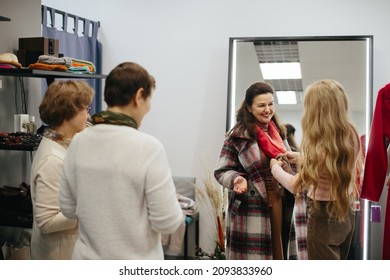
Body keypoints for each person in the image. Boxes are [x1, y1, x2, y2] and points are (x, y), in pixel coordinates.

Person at [59, 62, 184, 259]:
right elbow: (167, 222)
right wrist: (171, 200)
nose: (148, 108)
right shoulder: (148, 148)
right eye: (149, 99)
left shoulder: (78, 142)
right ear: (139, 96)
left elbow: (68, 209)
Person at [270, 79, 364, 260]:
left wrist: (275, 168)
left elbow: (295, 185)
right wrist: (300, 158)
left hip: (323, 216)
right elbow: (328, 166)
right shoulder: (350, 132)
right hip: (347, 213)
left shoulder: (320, 147)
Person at [214, 81, 295, 260]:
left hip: (280, 200)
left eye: (270, 104)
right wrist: (237, 179)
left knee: (278, 254)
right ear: (249, 108)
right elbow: (221, 170)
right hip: (251, 207)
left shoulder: (279, 133)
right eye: (261, 105)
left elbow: (291, 165)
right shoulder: (236, 137)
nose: (267, 109)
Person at [30, 80, 95, 259]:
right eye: (86, 110)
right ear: (69, 113)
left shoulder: (59, 139)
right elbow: (47, 221)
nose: (88, 117)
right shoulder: (52, 159)